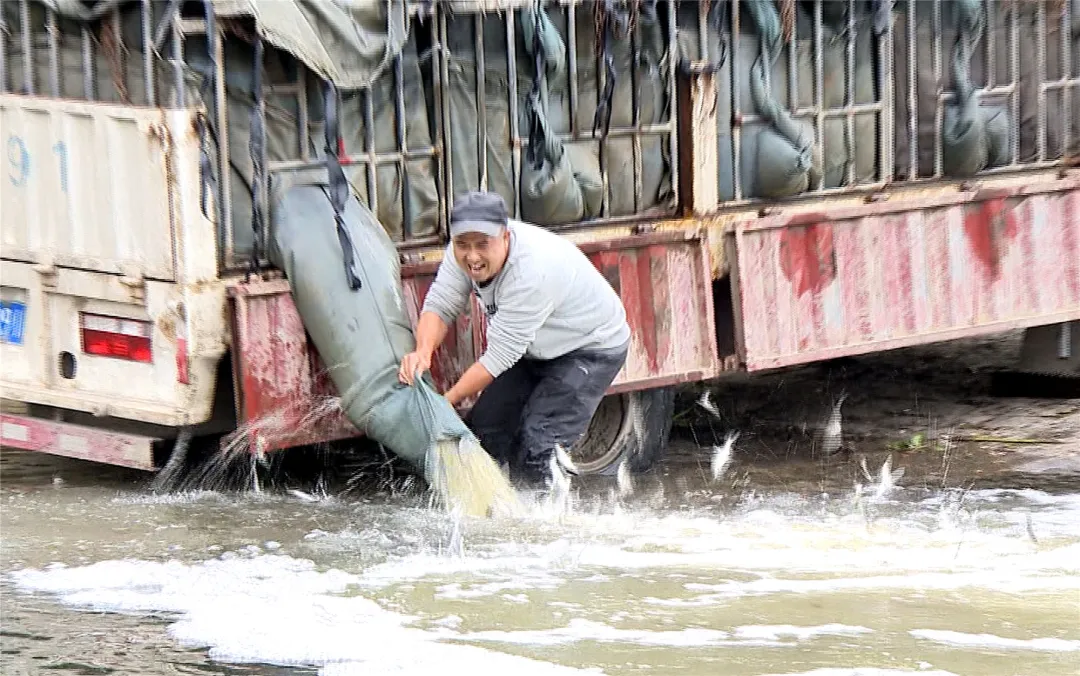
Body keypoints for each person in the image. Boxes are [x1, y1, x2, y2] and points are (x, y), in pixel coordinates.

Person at [398, 191, 631, 482]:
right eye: (462, 245)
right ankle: (489, 515)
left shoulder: (531, 272)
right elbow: (440, 304)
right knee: (484, 434)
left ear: (505, 237)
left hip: (590, 347)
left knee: (537, 445)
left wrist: (447, 401)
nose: (472, 256)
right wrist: (422, 352)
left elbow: (499, 357)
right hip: (535, 347)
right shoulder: (462, 254)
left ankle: (538, 522)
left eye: (483, 245)